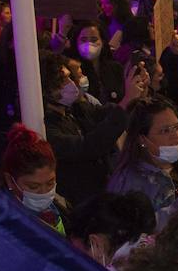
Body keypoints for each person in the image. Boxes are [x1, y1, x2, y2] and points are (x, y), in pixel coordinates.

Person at [40, 50, 145, 208]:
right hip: (81, 205)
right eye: (62, 80)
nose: (72, 83)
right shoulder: (46, 128)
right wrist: (126, 102)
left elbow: (107, 113)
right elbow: (89, 145)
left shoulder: (75, 109)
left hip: (104, 193)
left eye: (70, 76)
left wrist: (134, 96)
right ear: (45, 90)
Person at [108, 96, 178, 230]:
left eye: (177, 127)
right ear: (142, 139)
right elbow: (132, 238)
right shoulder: (128, 183)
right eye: (165, 131)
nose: (176, 135)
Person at [3, 124, 67, 234]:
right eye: (33, 187)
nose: (44, 193)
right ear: (10, 181)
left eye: (50, 183)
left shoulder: (56, 208)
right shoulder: (4, 220)